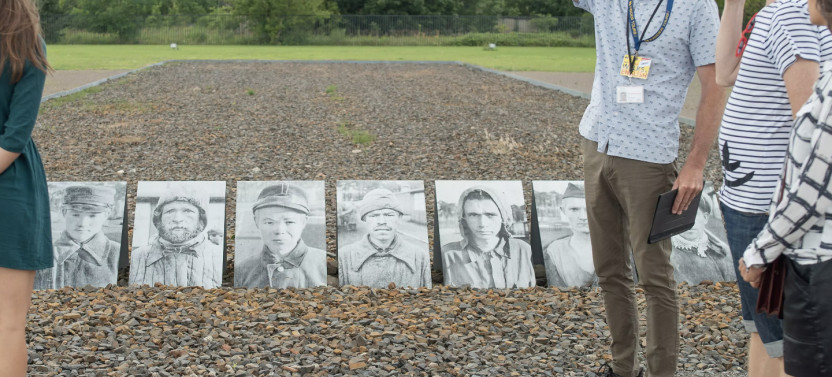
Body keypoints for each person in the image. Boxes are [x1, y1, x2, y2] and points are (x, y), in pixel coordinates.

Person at [572, 0, 725, 376]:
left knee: (654, 275)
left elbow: (715, 85)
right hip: (596, 141)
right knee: (609, 269)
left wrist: (695, 164)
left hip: (648, 154)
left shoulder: (696, 7)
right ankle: (623, 368)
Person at [716, 0, 832, 374]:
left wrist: (769, 243)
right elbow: (724, 73)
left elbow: (811, 127)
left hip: (765, 202)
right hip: (746, 196)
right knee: (761, 327)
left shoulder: (792, 16)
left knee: (783, 340)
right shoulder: (774, 13)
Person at [0, 0, 53, 375]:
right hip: (14, 185)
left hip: (11, 189)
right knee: (9, 324)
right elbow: (15, 138)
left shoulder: (24, 42)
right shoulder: (28, 42)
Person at [441, 186, 535, 289]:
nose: (482, 224)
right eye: (473, 215)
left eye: (490, 215)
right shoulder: (447, 255)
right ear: (464, 218)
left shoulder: (523, 250)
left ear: (502, 216)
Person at [235, 183, 326, 288]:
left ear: (304, 222)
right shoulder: (242, 271)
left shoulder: (325, 264)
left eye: (289, 222)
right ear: (257, 222)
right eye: (269, 222)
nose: (279, 230)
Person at [338, 188, 431, 288]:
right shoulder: (343, 258)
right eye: (374, 215)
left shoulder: (420, 257)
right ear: (365, 219)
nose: (382, 221)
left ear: (399, 218)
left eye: (389, 214)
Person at [129, 191, 223, 288]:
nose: (177, 219)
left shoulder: (219, 256)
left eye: (187, 211)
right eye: (170, 211)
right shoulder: (137, 257)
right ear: (159, 219)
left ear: (201, 218)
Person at [34, 185, 121, 289]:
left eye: (92, 215)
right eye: (75, 214)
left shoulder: (118, 254)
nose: (82, 223)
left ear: (106, 214)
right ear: (64, 212)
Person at [670, 193, 733, 284]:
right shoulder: (668, 256)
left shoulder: (723, 250)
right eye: (682, 216)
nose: (689, 225)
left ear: (705, 217)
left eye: (693, 216)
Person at [543, 182, 596, 287]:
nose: (583, 216)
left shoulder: (616, 248)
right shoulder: (555, 251)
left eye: (590, 208)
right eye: (574, 209)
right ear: (563, 211)